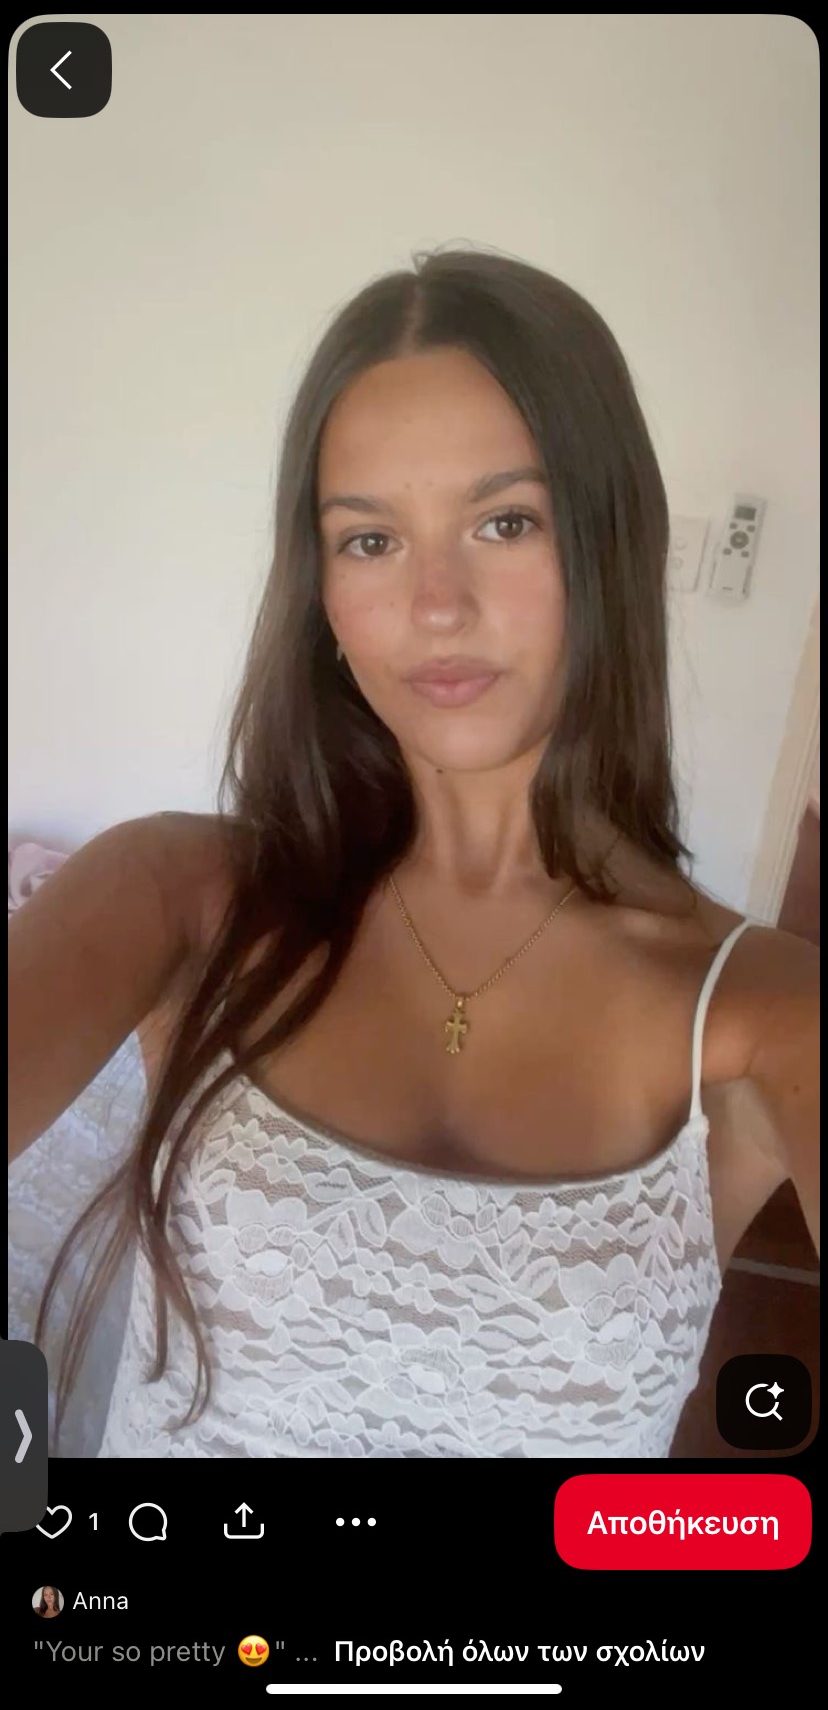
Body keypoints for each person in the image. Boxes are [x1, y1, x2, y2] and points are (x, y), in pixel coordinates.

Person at [8, 247, 819, 1459]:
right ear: (322, 596)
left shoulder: (766, 1013)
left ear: (611, 544)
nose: (437, 605)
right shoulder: (174, 893)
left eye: (505, 521)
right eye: (370, 540)